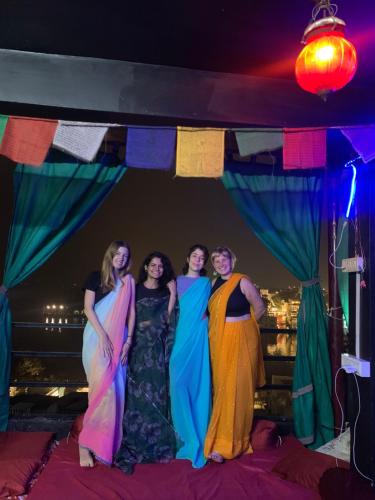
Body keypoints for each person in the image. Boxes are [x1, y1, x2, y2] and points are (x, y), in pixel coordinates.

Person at [115, 251, 177, 474]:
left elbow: (167, 320)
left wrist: (172, 294)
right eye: (153, 265)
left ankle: (156, 443)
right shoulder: (136, 288)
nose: (157, 269)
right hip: (136, 350)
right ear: (146, 267)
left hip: (156, 352)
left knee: (158, 397)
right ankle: (134, 441)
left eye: (161, 266)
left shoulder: (165, 291)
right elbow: (127, 316)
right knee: (135, 397)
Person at [204, 246, 266, 463]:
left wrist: (244, 330)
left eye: (224, 258)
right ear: (213, 264)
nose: (221, 263)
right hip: (220, 343)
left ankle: (232, 445)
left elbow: (259, 308)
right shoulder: (213, 285)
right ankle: (220, 439)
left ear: (232, 260)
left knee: (237, 391)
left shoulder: (242, 281)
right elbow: (207, 312)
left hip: (241, 342)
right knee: (221, 390)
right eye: (216, 260)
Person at [78, 240, 135, 467]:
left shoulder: (129, 282)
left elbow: (131, 314)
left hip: (119, 340)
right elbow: (88, 309)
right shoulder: (95, 277)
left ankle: (105, 444)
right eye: (117, 253)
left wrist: (128, 341)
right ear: (110, 255)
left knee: (116, 392)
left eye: (125, 255)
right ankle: (85, 445)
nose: (121, 257)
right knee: (101, 391)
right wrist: (102, 336)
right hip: (96, 338)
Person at [169, 244, 211, 468]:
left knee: (199, 388)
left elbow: (215, 307)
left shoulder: (207, 283)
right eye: (195, 255)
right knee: (177, 387)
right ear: (188, 258)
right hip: (180, 339)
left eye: (202, 257)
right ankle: (185, 440)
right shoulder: (175, 282)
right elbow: (168, 311)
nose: (198, 259)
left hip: (200, 339)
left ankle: (200, 439)